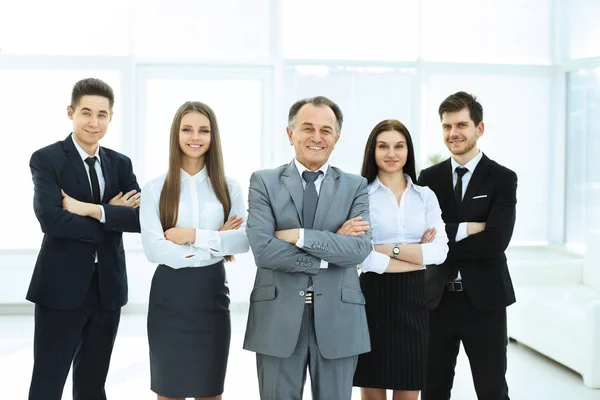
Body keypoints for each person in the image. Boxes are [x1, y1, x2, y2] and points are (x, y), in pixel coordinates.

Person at [243, 96, 373, 400]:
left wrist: (299, 235)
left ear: (337, 138)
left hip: (339, 318)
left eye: (326, 130)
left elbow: (359, 250)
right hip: (277, 317)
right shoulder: (263, 182)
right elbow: (264, 251)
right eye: (307, 128)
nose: (317, 137)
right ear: (290, 134)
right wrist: (330, 252)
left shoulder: (355, 186)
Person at [27, 77, 142, 400]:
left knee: (93, 384)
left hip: (108, 288)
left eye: (102, 114)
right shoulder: (47, 159)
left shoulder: (120, 164)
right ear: (71, 112)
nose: (94, 122)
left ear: (110, 117)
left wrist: (88, 210)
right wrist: (109, 214)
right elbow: (52, 220)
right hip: (60, 287)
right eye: (86, 113)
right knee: (48, 381)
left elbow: (139, 220)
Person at [140, 101, 249, 400]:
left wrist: (190, 236)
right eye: (187, 129)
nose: (195, 137)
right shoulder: (154, 189)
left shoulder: (229, 187)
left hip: (211, 294)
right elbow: (154, 250)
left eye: (203, 130)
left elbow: (241, 242)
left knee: (210, 392)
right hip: (169, 296)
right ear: (176, 134)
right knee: (169, 391)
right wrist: (215, 241)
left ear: (213, 137)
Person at [418, 92, 517, 400]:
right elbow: (418, 235)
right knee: (433, 390)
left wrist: (440, 242)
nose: (453, 133)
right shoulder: (428, 179)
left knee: (492, 390)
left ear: (480, 128)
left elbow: (495, 241)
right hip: (436, 302)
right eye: (447, 126)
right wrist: (464, 230)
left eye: (461, 124)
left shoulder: (502, 178)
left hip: (485, 302)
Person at [353, 119, 449, 400]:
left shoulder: (425, 196)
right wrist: (416, 255)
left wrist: (388, 248)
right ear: (373, 151)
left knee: (408, 390)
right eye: (383, 146)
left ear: (409, 151)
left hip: (415, 300)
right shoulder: (360, 195)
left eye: (399, 146)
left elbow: (439, 252)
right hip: (372, 299)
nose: (391, 153)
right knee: (372, 387)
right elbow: (362, 255)